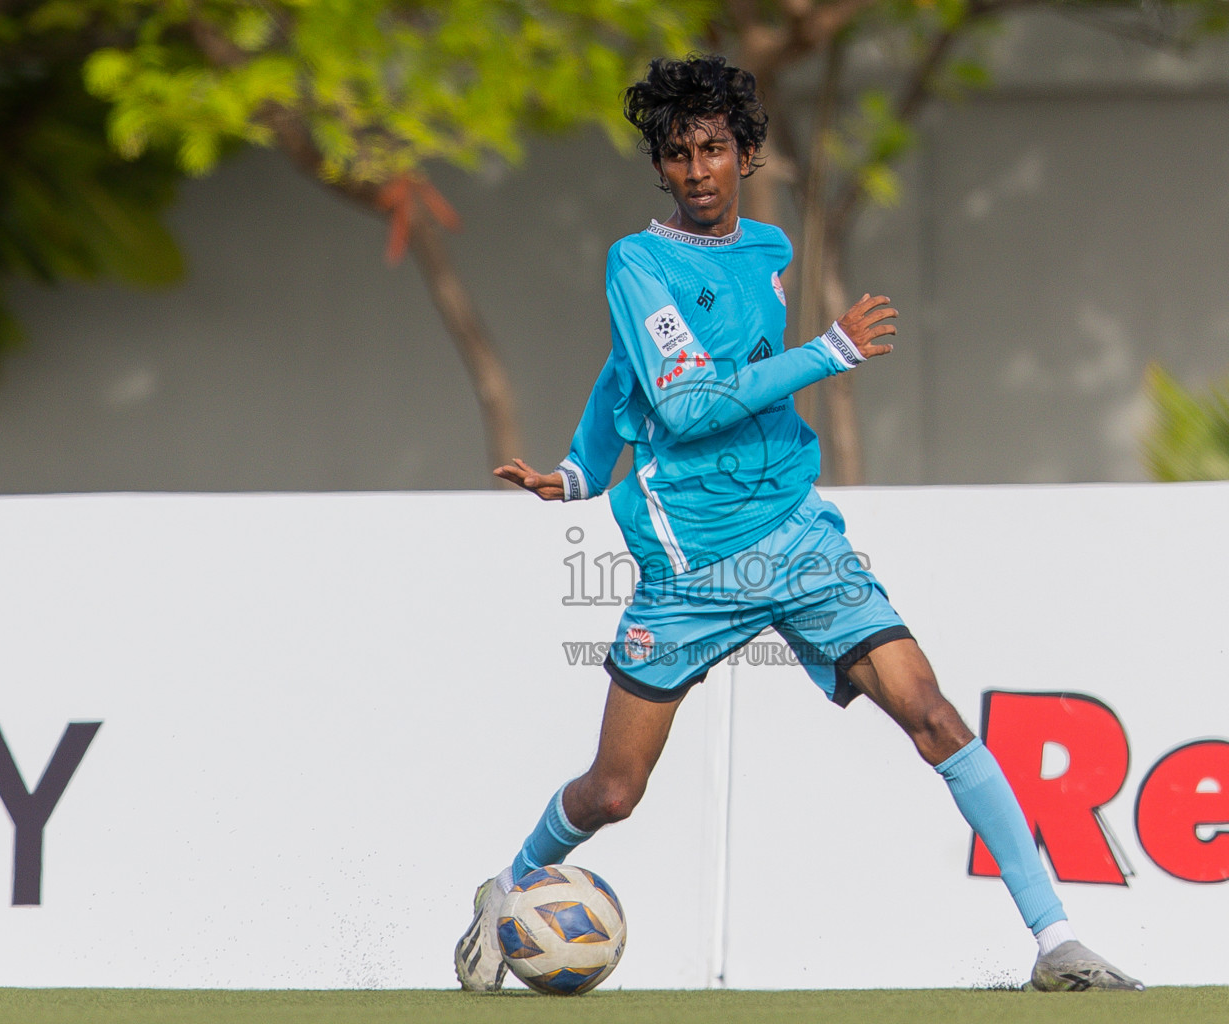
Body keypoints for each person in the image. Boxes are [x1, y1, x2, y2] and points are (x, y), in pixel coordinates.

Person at [457, 53, 1143, 994]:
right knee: (614, 791)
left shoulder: (771, 253)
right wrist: (826, 353)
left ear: (745, 153)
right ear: (658, 166)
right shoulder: (638, 260)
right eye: (679, 152)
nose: (698, 168)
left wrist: (580, 465)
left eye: (714, 148)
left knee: (933, 713)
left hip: (798, 535)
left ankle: (1058, 940)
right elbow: (683, 402)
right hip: (691, 562)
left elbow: (636, 373)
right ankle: (507, 892)